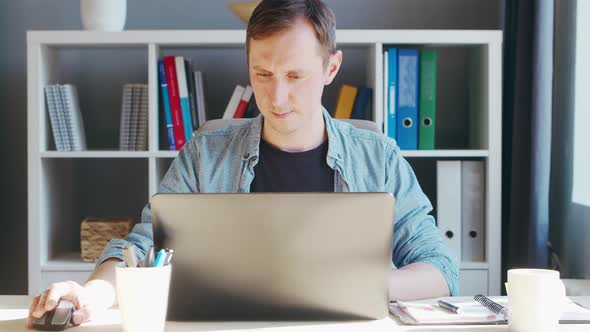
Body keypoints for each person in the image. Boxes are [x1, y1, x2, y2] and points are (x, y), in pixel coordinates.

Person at [27, 0, 458, 328]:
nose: (277, 98)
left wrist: (349, 287)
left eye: (295, 76)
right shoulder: (204, 153)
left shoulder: (378, 156)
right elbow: (141, 249)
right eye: (263, 74)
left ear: (331, 68)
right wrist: (94, 293)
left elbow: (440, 269)